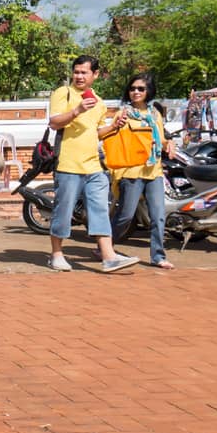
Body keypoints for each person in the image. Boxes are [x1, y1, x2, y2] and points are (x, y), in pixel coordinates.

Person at [46, 55, 138, 273]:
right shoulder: (63, 93)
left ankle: (108, 256)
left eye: (84, 72)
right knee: (63, 210)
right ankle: (56, 254)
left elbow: (97, 133)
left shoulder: (99, 102)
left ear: (95, 75)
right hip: (68, 163)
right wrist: (77, 110)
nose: (79, 76)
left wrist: (115, 125)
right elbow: (54, 122)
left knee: (99, 209)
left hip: (94, 165)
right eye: (76, 72)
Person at [112, 72, 176, 270]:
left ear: (149, 91)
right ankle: (106, 245)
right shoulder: (123, 114)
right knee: (126, 215)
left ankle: (158, 256)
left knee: (158, 215)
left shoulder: (154, 114)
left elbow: (161, 139)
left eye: (141, 88)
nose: (136, 92)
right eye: (132, 88)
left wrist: (168, 143)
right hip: (132, 171)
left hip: (153, 171)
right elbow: (117, 139)